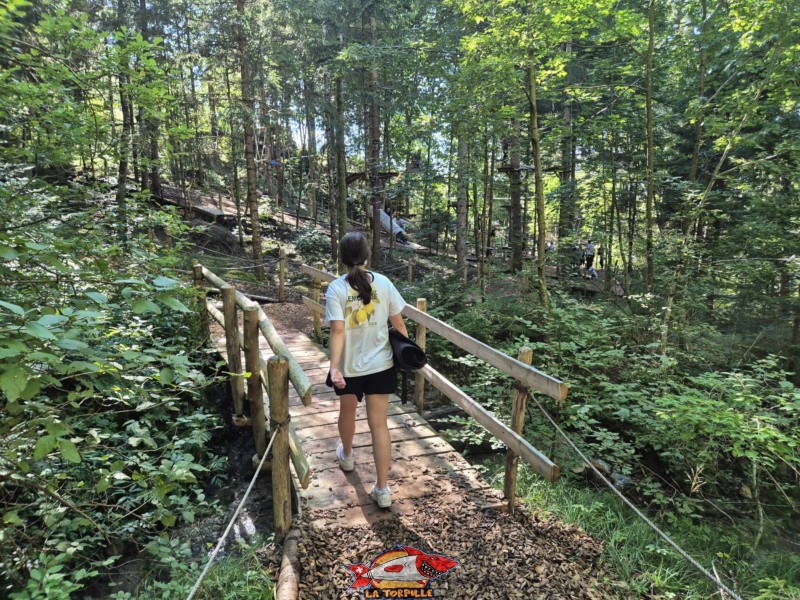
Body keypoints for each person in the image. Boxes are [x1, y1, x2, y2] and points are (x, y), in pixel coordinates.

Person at [325, 232, 409, 509]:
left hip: (349, 367)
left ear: (342, 257)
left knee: (347, 412)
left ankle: (347, 455)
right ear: (367, 255)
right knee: (379, 425)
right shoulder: (383, 283)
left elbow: (338, 329)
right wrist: (406, 354)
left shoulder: (336, 288)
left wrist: (334, 367)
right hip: (381, 364)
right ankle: (383, 489)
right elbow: (398, 324)